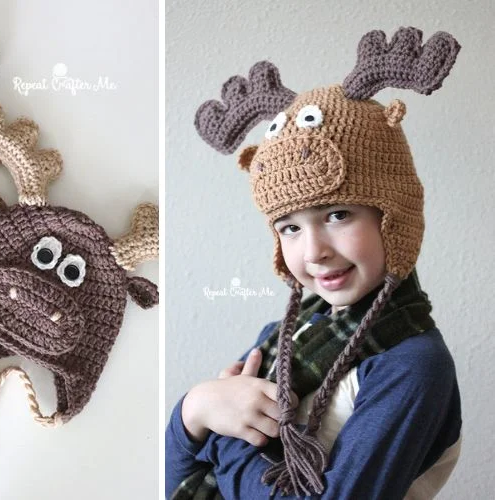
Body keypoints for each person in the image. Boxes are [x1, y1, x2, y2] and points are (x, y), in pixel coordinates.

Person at [166, 27, 463, 499]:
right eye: (290, 228)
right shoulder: (285, 336)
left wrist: (218, 438)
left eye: (338, 214)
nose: (313, 251)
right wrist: (190, 413)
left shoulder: (409, 367)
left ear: (395, 217)